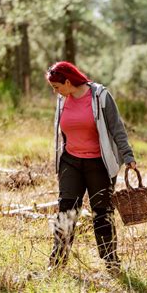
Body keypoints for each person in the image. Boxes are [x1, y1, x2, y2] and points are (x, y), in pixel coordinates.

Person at [46, 61, 136, 274]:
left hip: (99, 164)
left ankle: (111, 262)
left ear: (68, 82)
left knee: (102, 212)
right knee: (66, 211)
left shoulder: (100, 96)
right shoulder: (62, 99)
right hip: (71, 161)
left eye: (57, 87)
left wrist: (128, 155)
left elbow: (117, 128)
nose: (55, 92)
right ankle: (57, 262)